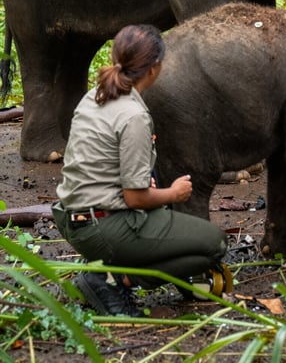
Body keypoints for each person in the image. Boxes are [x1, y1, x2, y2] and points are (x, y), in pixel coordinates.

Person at [52, 24, 230, 317]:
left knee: (180, 231)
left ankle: (110, 267)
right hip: (103, 226)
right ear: (153, 68)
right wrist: (173, 193)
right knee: (214, 244)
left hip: (75, 219)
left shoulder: (95, 95)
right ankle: (113, 280)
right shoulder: (133, 116)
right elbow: (135, 198)